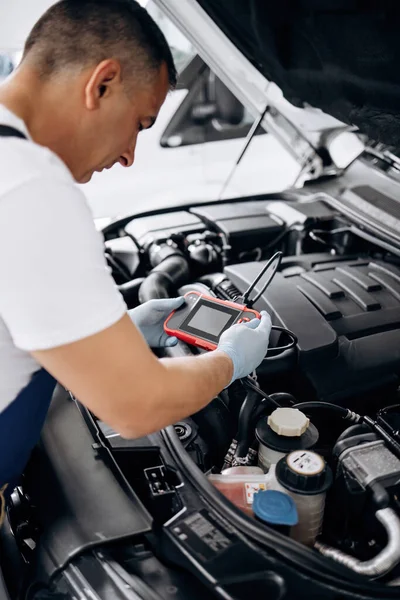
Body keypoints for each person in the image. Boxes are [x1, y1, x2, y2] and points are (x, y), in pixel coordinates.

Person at [0, 0, 271, 512]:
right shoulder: (32, 190)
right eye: (140, 125)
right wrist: (230, 361)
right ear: (101, 84)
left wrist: (112, 327)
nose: (129, 157)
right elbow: (135, 406)